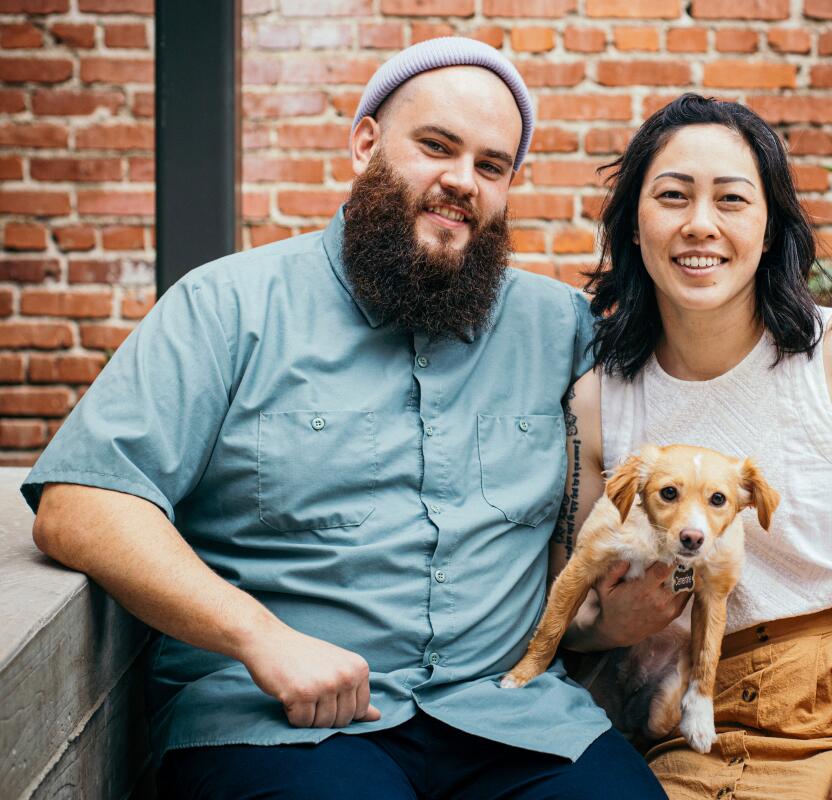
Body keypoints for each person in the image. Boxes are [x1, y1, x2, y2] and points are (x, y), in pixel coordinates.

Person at [22, 37, 665, 800]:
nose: (461, 181)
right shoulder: (228, 307)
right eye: (435, 146)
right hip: (283, 726)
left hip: (513, 718)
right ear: (365, 143)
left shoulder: (559, 329)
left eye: (491, 166)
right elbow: (81, 502)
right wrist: (259, 638)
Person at [553, 94, 832, 799]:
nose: (700, 225)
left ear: (771, 227)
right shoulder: (599, 400)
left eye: (731, 200)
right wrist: (605, 628)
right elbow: (570, 607)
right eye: (673, 197)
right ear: (633, 225)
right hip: (695, 723)